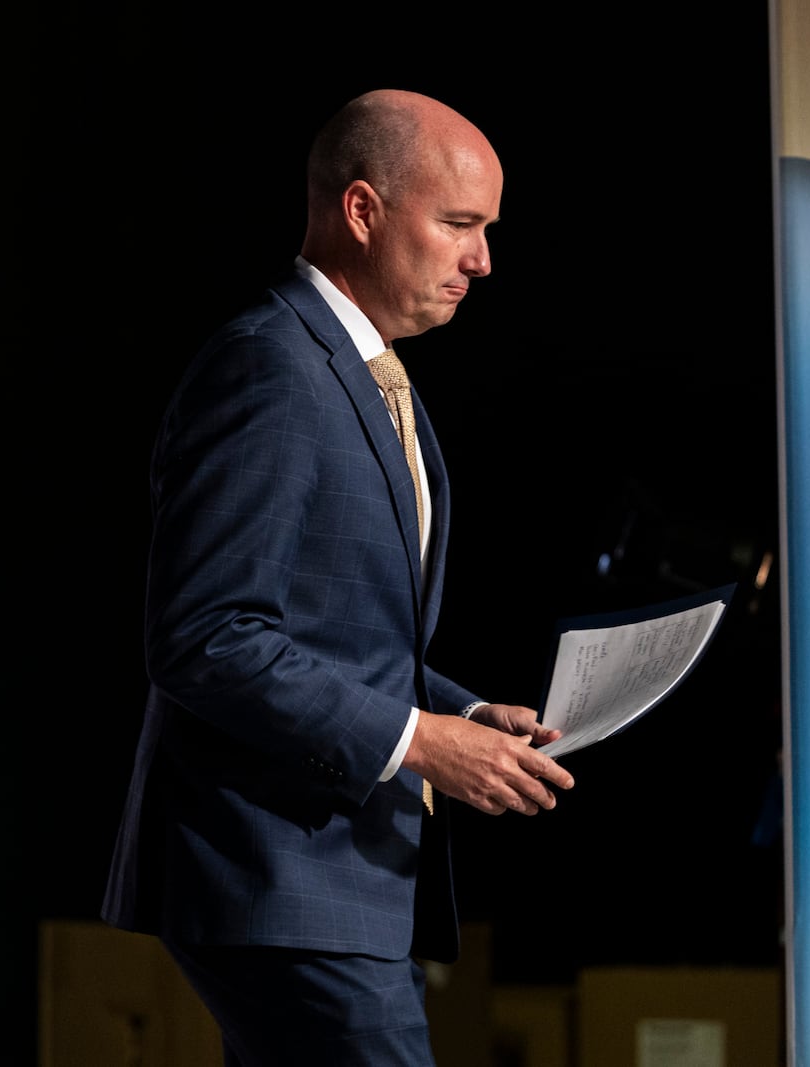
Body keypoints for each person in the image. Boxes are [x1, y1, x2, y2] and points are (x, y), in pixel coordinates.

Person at [103, 89, 575, 1065]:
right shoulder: (269, 367)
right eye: (459, 224)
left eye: (486, 229)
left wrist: (467, 713)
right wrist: (416, 739)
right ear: (361, 211)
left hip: (346, 881)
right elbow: (204, 636)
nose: (482, 259)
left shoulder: (367, 377)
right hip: (277, 872)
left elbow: (336, 633)